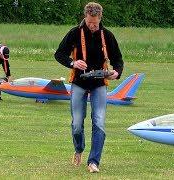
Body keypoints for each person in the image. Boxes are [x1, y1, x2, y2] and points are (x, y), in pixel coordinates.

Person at [54, 2, 124, 173]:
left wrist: (116, 72)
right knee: (77, 123)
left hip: (99, 84)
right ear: (85, 17)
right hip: (79, 82)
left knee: (99, 122)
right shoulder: (75, 33)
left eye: (95, 22)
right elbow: (59, 54)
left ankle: (94, 162)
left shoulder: (107, 35)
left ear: (100, 18)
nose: (92, 26)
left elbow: (118, 60)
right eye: (89, 22)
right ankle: (79, 149)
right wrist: (73, 62)